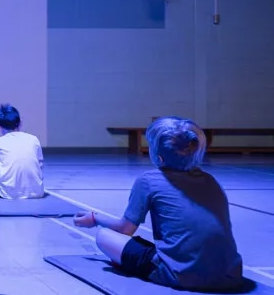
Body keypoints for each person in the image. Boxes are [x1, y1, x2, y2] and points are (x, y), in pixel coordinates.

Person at [73, 116, 243, 291]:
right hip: (231, 275)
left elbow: (125, 229)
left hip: (181, 275)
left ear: (159, 158)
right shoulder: (210, 180)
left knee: (104, 236)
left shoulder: (149, 180)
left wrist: (95, 218)